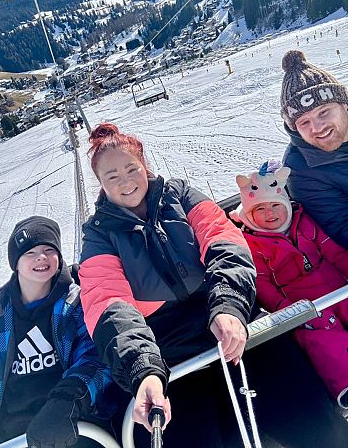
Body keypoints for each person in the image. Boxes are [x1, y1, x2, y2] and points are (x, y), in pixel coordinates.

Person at [78, 123, 348, 447]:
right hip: (166, 347)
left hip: (226, 318)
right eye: (112, 177)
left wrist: (230, 305)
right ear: (101, 184)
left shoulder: (180, 197)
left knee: (308, 415)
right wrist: (143, 369)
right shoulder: (98, 236)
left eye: (130, 169)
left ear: (144, 165)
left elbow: (224, 242)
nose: (125, 181)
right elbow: (109, 306)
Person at [0, 216, 117, 448]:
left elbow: (95, 357)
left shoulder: (78, 305)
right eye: (30, 252)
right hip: (12, 435)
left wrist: (68, 401)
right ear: (15, 263)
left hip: (71, 426)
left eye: (49, 249)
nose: (41, 257)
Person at [231, 160, 348, 408]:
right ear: (249, 215)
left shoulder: (303, 223)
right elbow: (262, 283)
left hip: (338, 288)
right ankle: (344, 381)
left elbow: (333, 251)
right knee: (323, 336)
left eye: (275, 205)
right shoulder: (253, 243)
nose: (270, 213)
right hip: (304, 304)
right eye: (259, 210)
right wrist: (286, 308)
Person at [280, 50, 348, 248]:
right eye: (304, 122)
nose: (317, 128)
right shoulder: (300, 169)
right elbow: (342, 227)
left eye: (323, 112)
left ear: (344, 104)